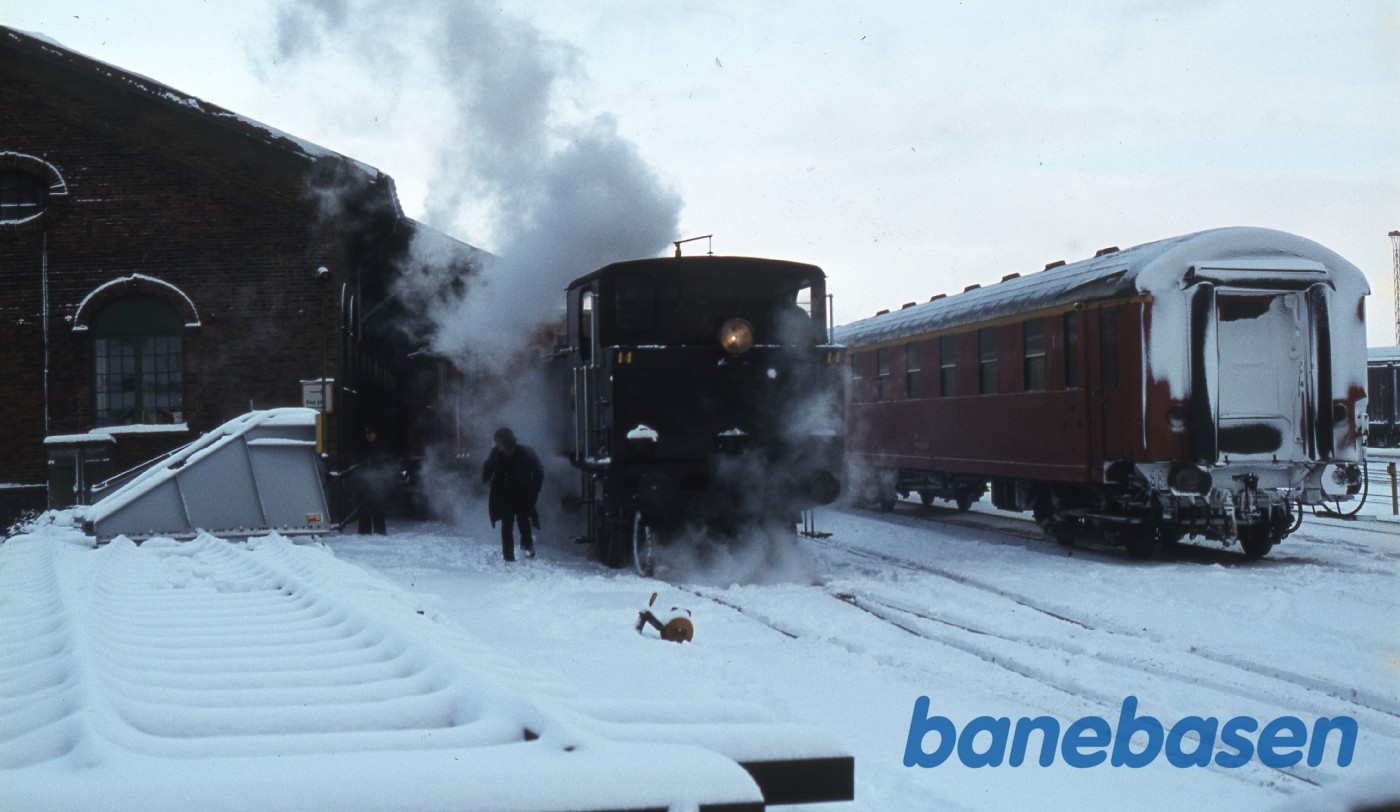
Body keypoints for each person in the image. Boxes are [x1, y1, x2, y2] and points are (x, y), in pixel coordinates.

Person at [481, 427, 543, 561]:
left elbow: (539, 470)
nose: (497, 446)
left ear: (505, 442)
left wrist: (534, 488)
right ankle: (508, 556)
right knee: (506, 525)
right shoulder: (496, 453)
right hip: (504, 496)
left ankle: (528, 547)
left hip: (523, 494)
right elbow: (487, 466)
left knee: (523, 521)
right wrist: (488, 481)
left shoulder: (526, 452)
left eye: (499, 443)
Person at [353, 426, 394, 535]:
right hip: (365, 480)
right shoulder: (363, 447)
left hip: (378, 480)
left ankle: (380, 530)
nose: (369, 436)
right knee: (364, 507)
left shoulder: (382, 447)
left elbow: (386, 462)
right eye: (367, 434)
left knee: (378, 506)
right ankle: (364, 531)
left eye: (371, 433)